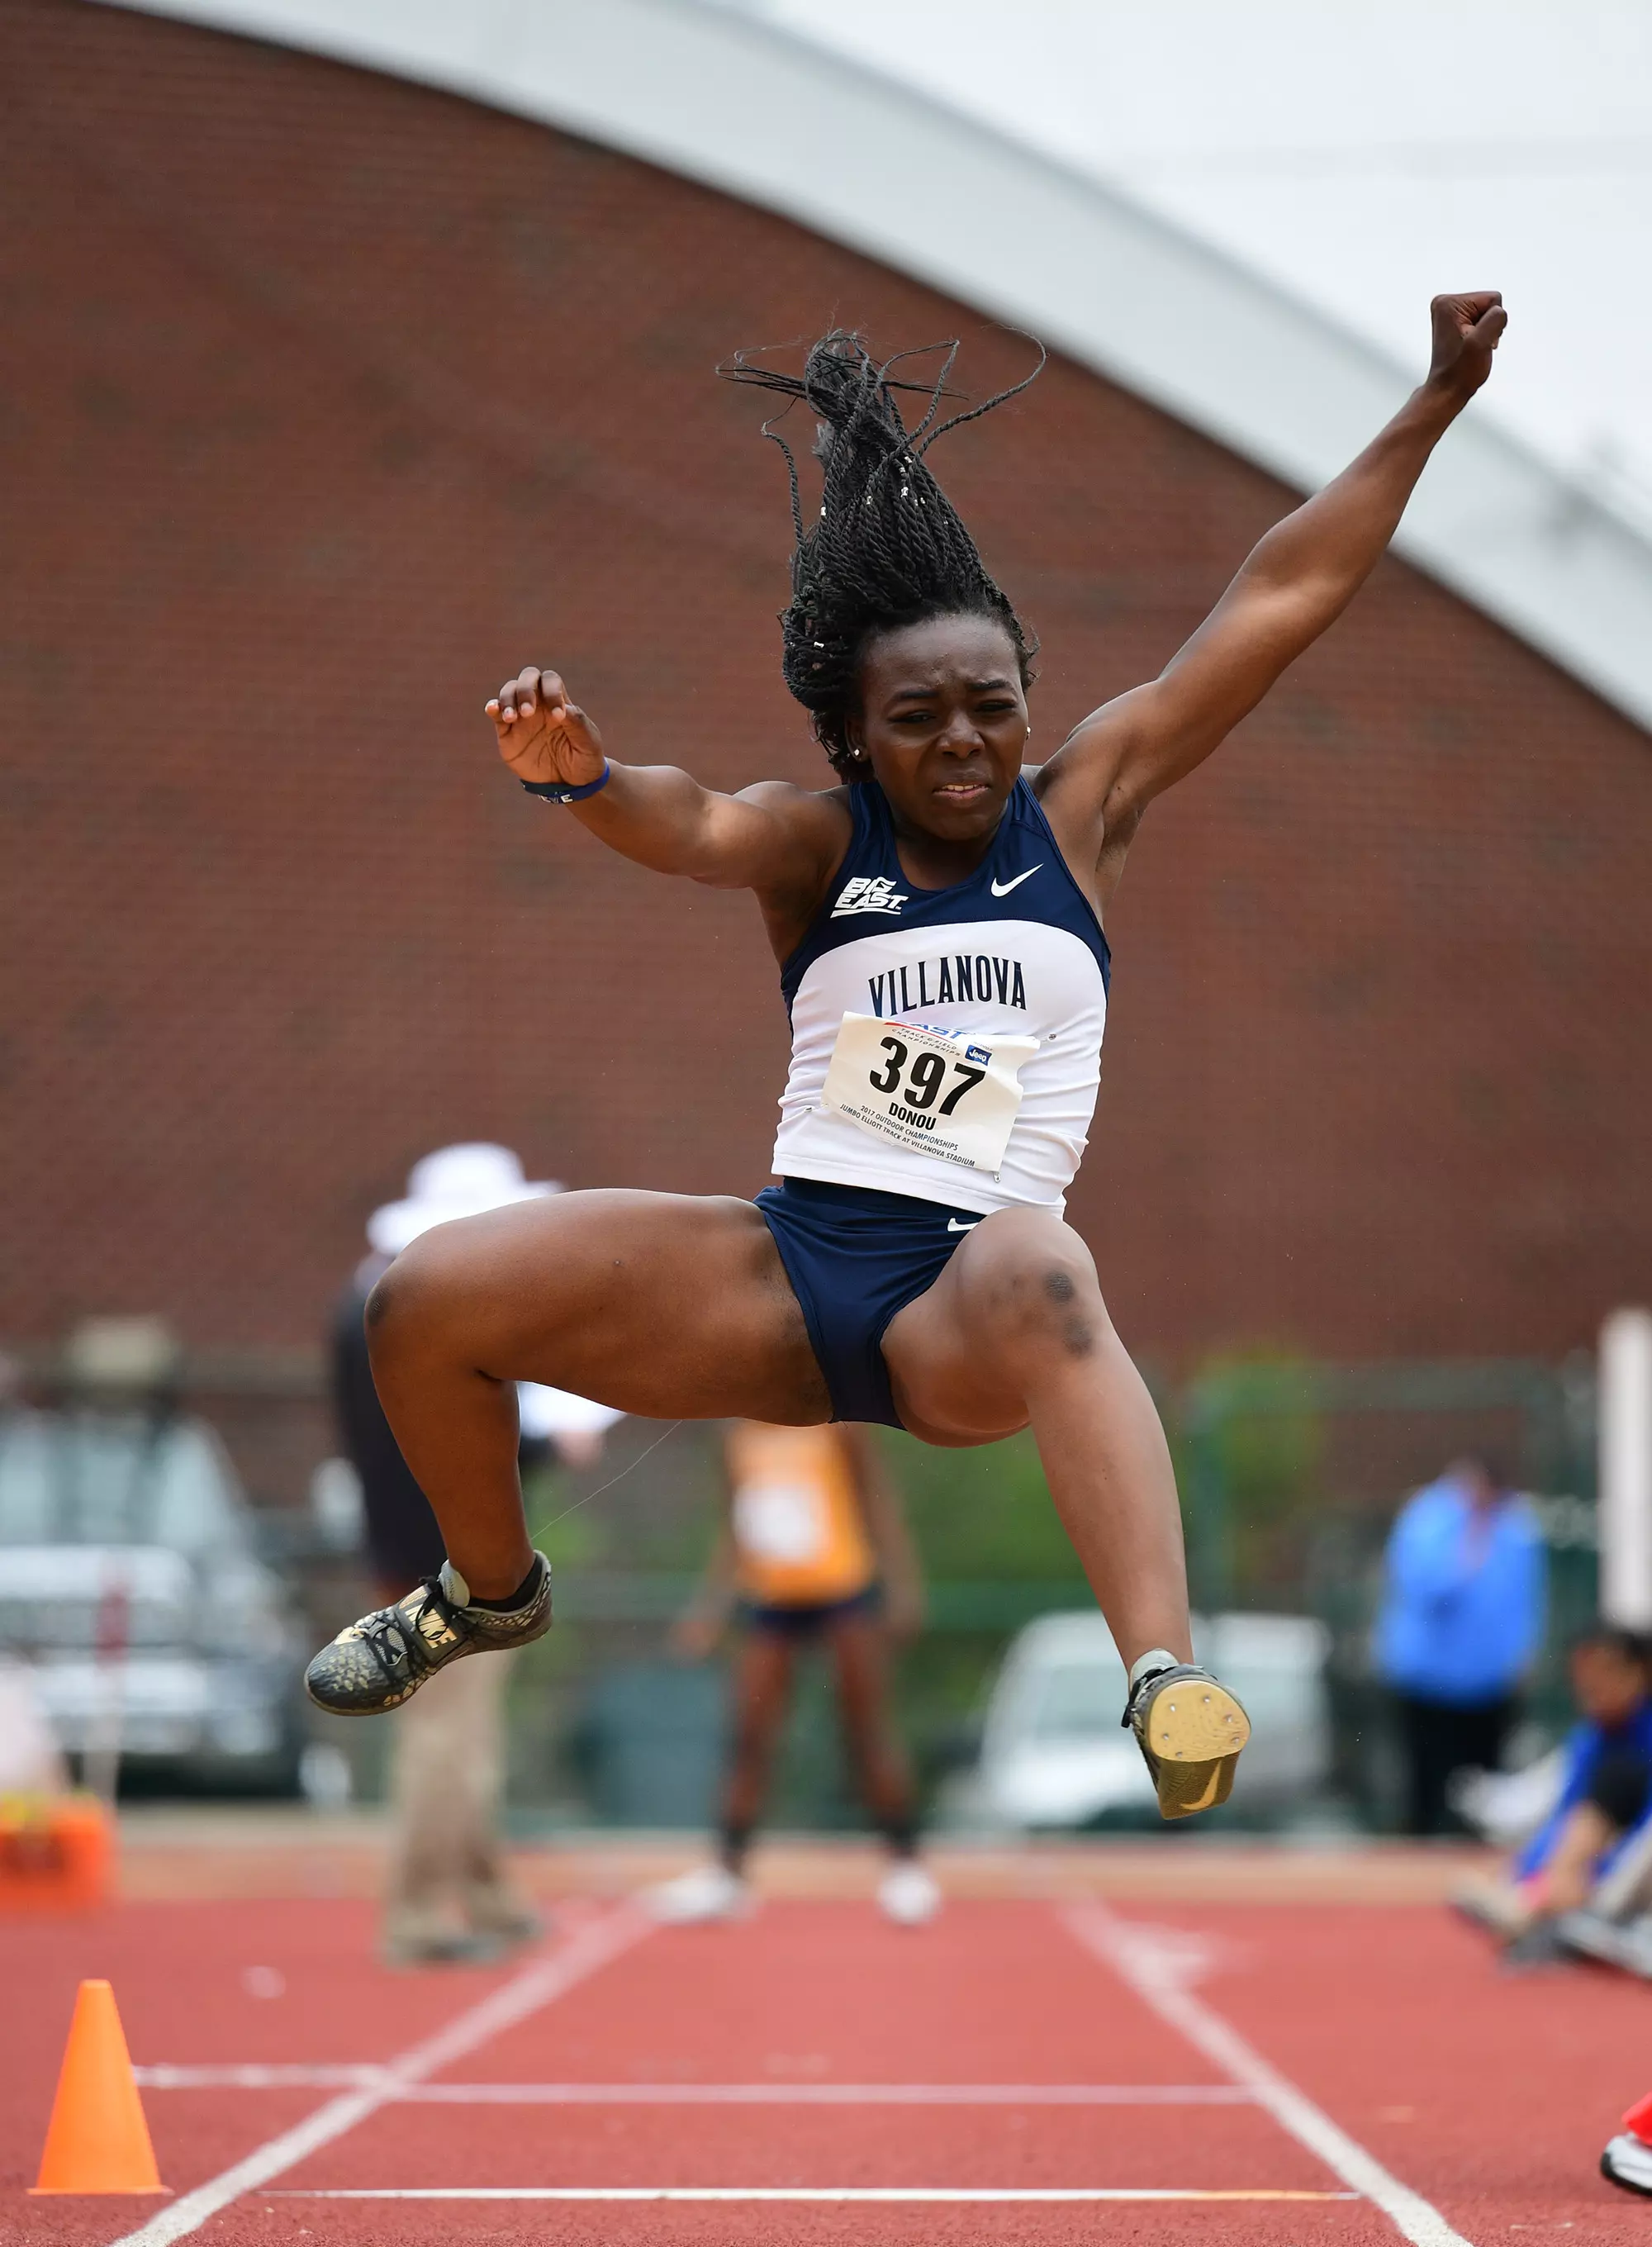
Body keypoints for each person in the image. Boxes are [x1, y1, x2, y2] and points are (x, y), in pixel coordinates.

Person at [304, 293, 1507, 1829]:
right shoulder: (821, 848)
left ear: (1028, 707)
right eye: (918, 716)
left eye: (991, 708)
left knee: (1043, 1258)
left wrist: (1435, 400)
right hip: (790, 1269)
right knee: (425, 1298)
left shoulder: (1083, 813)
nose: (961, 742)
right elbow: (689, 822)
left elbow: (1281, 592)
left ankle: (1166, 1678)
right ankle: (486, 1594)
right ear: (855, 734)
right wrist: (585, 781)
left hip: (967, 1313)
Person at [333, 1145, 620, 1966]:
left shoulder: (361, 1305)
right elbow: (461, 1444)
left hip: (409, 1550)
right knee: (447, 1743)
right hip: (449, 1564)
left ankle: (487, 1891)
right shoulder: (422, 1314)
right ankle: (418, 1911)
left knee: (466, 1740)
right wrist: (550, 1443)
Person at [653, 1419, 937, 1926]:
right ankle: (728, 1874)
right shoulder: (735, 1436)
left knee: (866, 1728)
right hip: (771, 1598)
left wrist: (903, 1585)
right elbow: (734, 1529)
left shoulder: (838, 1427)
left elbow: (878, 1504)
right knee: (750, 1734)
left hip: (843, 1592)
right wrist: (710, 1609)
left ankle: (905, 1867)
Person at [1374, 1452, 1547, 1837]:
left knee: (1484, 1782)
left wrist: (1522, 1653)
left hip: (1488, 1680)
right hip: (1428, 1678)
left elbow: (1526, 1599)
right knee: (1426, 1778)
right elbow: (1426, 1590)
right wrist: (1469, 1549)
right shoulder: (1427, 1520)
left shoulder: (1517, 1528)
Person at [1455, 1628, 1652, 1960]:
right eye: (1584, 1679)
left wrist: (1598, 1880)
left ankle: (1564, 1911)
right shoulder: (1592, 1740)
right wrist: (1527, 1875)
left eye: (1606, 1673)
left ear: (1640, 1673)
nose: (1592, 1688)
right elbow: (1570, 1817)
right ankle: (1540, 1904)